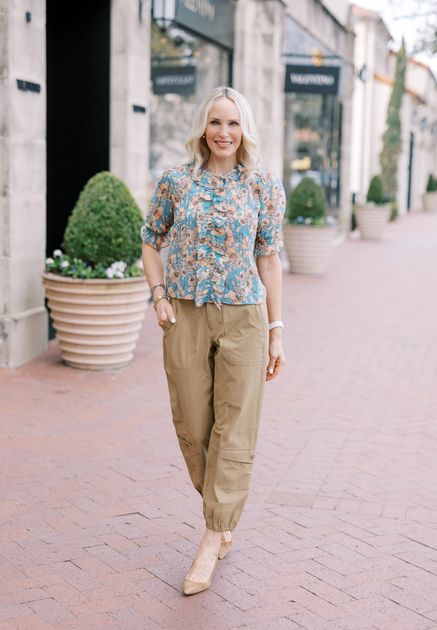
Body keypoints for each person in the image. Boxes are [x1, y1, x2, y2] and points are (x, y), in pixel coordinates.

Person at [140, 85, 286, 596]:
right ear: (203, 127)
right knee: (193, 424)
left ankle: (211, 537)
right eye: (216, 122)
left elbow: (269, 259)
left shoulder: (264, 186)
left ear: (245, 130)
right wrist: (158, 296)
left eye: (234, 124)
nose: (224, 133)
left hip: (245, 314)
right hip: (182, 313)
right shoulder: (176, 183)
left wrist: (275, 330)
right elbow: (150, 238)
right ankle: (222, 514)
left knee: (236, 425)